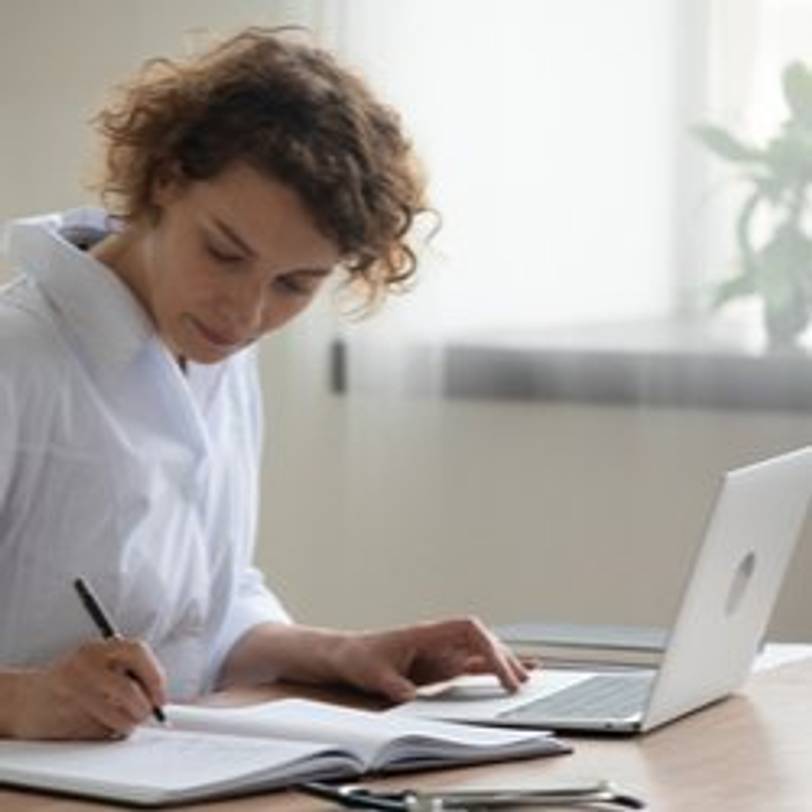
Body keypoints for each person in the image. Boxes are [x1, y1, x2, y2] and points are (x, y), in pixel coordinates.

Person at [0, 27, 527, 741]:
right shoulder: (18, 358)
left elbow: (198, 618)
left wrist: (342, 653)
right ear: (164, 180)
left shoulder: (208, 350)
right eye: (223, 253)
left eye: (295, 285)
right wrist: (21, 702)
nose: (245, 313)